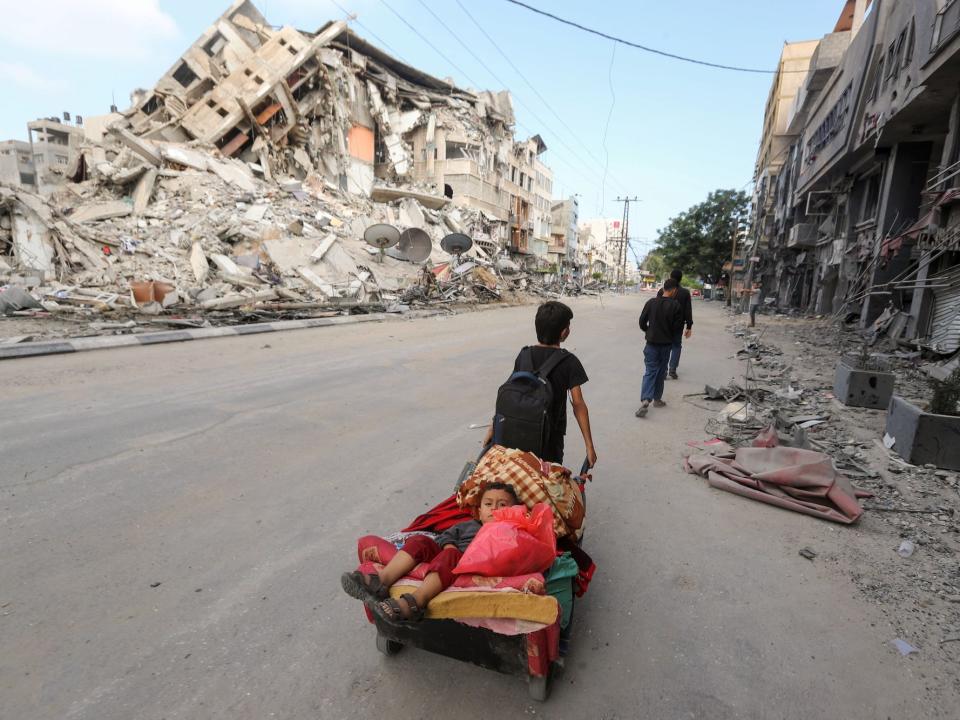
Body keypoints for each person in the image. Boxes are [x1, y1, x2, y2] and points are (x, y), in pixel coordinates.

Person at [340, 483, 520, 621]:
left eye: (502, 504)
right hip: (445, 558)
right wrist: (449, 545)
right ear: (479, 512)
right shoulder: (468, 526)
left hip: (468, 565)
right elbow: (443, 537)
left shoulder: (511, 532)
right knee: (421, 541)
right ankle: (381, 581)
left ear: (514, 511)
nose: (494, 508)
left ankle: (416, 601)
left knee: (451, 555)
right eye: (489, 504)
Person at [483, 301, 598, 468]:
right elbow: (578, 404)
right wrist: (589, 446)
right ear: (564, 332)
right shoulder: (569, 362)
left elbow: (510, 391)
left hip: (514, 432)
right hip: (550, 441)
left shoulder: (524, 355)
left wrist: (492, 428)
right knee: (547, 482)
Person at [637, 278, 685, 417]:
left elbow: (641, 321)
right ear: (674, 290)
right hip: (666, 345)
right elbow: (677, 328)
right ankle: (657, 399)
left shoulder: (651, 303)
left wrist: (648, 331)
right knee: (661, 371)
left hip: (651, 343)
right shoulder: (676, 306)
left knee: (650, 371)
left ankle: (646, 399)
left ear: (664, 288)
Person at [662, 269, 693, 379]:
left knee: (664, 346)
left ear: (670, 276)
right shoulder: (685, 292)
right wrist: (689, 326)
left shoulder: (663, 291)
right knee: (676, 345)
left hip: (664, 324)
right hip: (678, 325)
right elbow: (688, 310)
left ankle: (664, 370)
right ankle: (672, 369)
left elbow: (657, 307)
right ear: (681, 278)